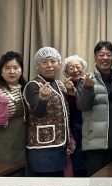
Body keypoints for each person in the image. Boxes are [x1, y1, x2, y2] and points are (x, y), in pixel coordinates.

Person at [23, 47, 74, 176]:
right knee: (44, 185)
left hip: (61, 147)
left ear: (59, 64)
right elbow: (38, 113)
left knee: (58, 184)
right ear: (38, 66)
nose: (49, 65)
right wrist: (43, 99)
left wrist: (71, 93)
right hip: (42, 150)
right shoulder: (33, 85)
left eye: (53, 61)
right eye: (44, 62)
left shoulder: (60, 84)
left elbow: (67, 113)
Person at [76, 41, 112, 176]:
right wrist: (87, 88)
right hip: (95, 142)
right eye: (101, 54)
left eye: (109, 55)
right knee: (96, 182)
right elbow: (82, 106)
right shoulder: (86, 79)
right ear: (95, 57)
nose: (105, 58)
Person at [0, 51, 27, 167]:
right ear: (1, 71)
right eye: (7, 68)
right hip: (3, 145)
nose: (12, 71)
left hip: (21, 142)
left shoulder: (25, 89)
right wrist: (2, 107)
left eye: (16, 67)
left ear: (21, 70)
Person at [63, 54, 88, 176]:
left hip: (88, 129)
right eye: (71, 68)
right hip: (73, 131)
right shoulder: (62, 87)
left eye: (78, 67)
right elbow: (72, 111)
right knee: (76, 166)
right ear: (66, 72)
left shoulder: (88, 84)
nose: (75, 70)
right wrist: (70, 92)